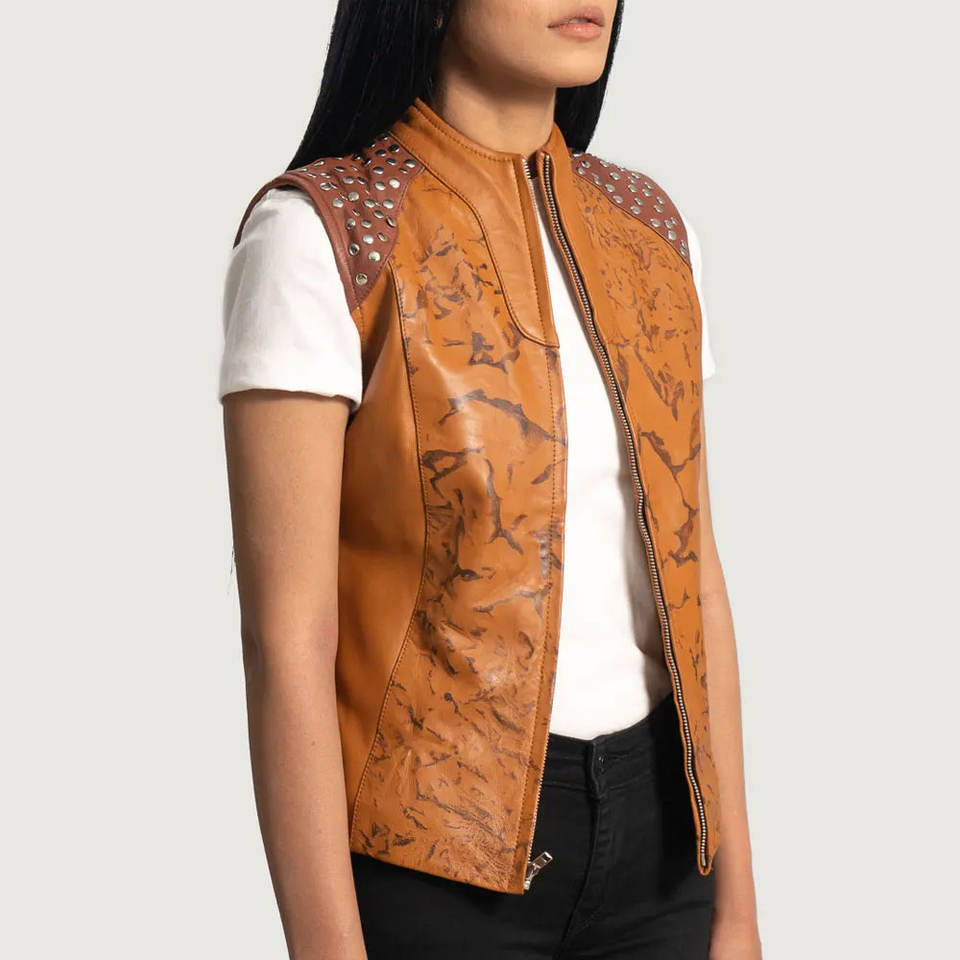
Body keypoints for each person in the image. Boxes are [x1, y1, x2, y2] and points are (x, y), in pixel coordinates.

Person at [218, 2, 761, 957]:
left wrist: (738, 913)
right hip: (435, 863)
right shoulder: (325, 236)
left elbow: (697, 579)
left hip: (666, 854)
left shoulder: (650, 231)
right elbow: (287, 642)